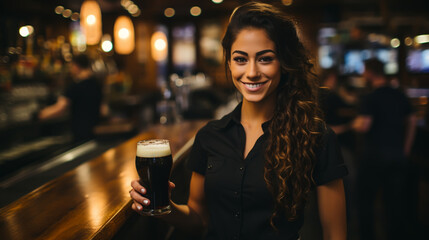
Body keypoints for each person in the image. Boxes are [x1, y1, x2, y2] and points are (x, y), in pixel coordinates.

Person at [130, 2, 348, 240]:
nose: (252, 72)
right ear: (229, 63)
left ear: (284, 64)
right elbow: (199, 220)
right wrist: (164, 205)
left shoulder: (316, 136)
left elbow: (335, 234)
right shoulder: (209, 136)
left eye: (265, 59)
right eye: (241, 59)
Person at [352, 58, 417, 240]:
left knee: (366, 203)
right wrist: (406, 148)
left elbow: (364, 125)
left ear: (371, 73)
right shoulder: (399, 94)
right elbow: (412, 120)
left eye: (364, 70)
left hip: (373, 157)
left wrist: (353, 124)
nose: (363, 74)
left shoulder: (370, 97)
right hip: (397, 156)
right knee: (395, 205)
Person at [38, 54, 103, 143]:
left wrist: (41, 114)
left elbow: (60, 107)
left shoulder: (76, 86)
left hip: (80, 133)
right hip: (94, 131)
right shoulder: (96, 84)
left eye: (71, 66)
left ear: (76, 66)